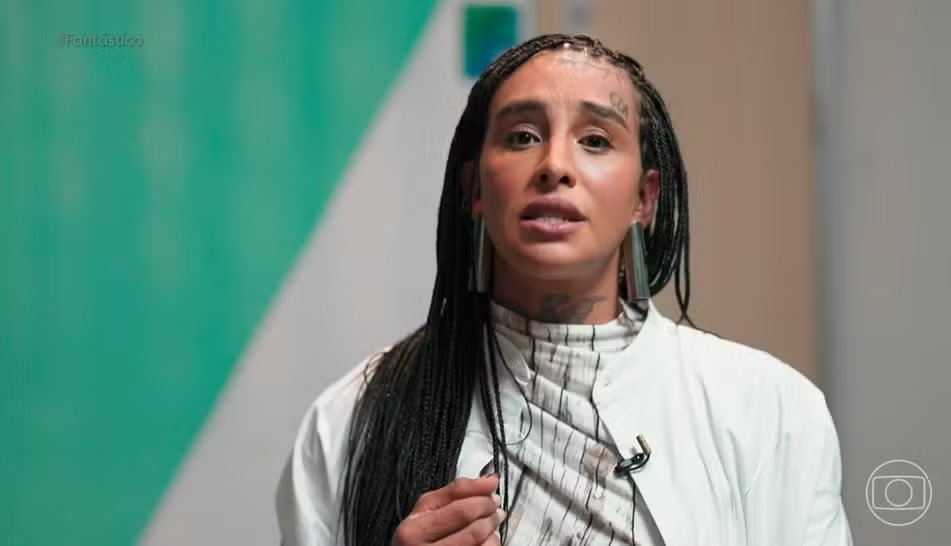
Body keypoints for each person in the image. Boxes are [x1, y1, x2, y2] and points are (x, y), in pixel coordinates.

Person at [275, 33, 853, 546]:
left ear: (644, 200)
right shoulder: (350, 421)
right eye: (523, 136)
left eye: (595, 140)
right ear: (474, 189)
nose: (555, 165)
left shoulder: (771, 411)